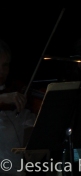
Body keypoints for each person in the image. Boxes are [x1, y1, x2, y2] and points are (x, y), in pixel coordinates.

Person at [0, 40, 37, 174]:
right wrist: (3, 98)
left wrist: (30, 143)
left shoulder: (17, 89)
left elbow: (27, 121)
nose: (1, 71)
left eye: (5, 65)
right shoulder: (7, 97)